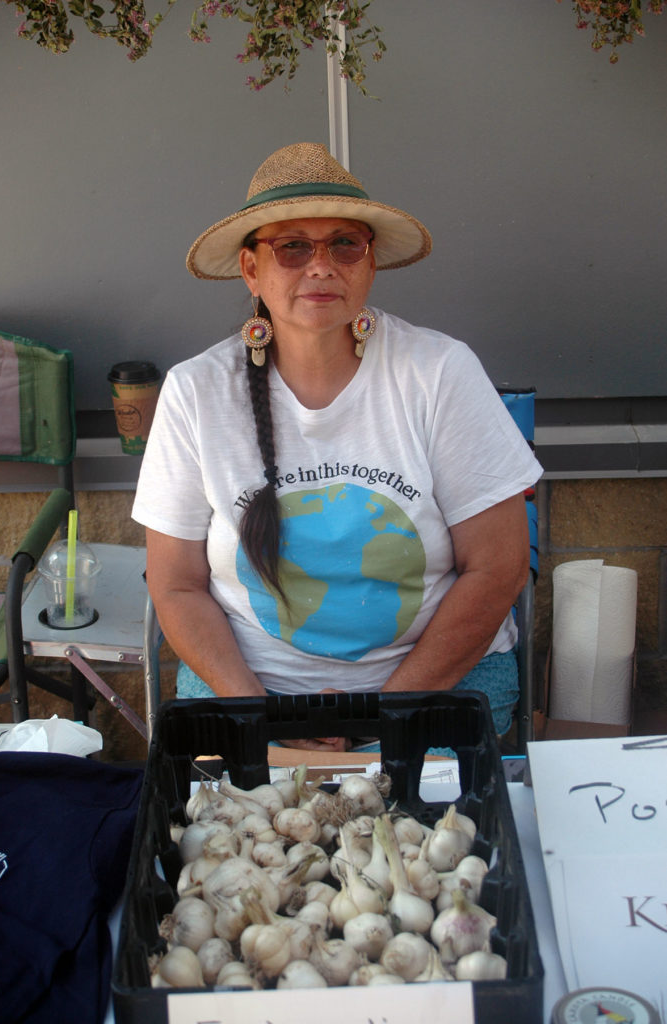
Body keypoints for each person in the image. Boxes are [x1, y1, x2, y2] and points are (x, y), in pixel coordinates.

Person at [132, 142, 542, 752]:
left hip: (432, 687)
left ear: (370, 262)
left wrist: (379, 719)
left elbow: (497, 568)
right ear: (251, 270)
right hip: (248, 691)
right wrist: (261, 724)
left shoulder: (439, 373)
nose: (321, 267)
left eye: (345, 244)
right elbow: (176, 586)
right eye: (292, 246)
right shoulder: (196, 392)